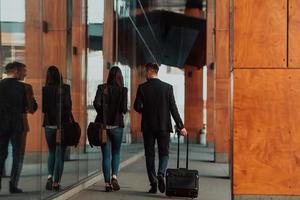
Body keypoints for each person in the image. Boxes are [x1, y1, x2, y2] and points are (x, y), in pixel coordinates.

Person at [134, 63, 188, 194]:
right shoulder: (167, 88)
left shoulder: (142, 88)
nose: (145, 74)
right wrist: (181, 126)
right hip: (163, 126)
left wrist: (144, 110)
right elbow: (173, 108)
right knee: (164, 153)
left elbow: (136, 106)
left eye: (146, 72)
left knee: (150, 155)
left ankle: (153, 184)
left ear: (150, 71)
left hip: (148, 126)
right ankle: (161, 173)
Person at [93, 66, 128, 192]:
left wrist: (102, 114)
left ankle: (107, 184)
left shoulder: (102, 88)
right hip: (117, 126)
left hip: (103, 127)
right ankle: (114, 177)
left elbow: (96, 103)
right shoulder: (123, 90)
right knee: (116, 152)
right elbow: (124, 108)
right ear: (120, 77)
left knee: (106, 155)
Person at [42, 66, 72, 191]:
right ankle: (56, 182)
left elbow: (44, 109)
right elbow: (68, 106)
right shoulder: (65, 88)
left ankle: (49, 176)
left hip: (49, 125)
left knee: (52, 152)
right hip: (62, 126)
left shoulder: (45, 89)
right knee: (60, 154)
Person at [0, 62, 28, 193]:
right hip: (16, 125)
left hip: (1, 125)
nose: (25, 74)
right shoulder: (21, 87)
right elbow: (24, 108)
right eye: (23, 71)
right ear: (16, 71)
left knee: (1, 154)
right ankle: (13, 184)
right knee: (17, 155)